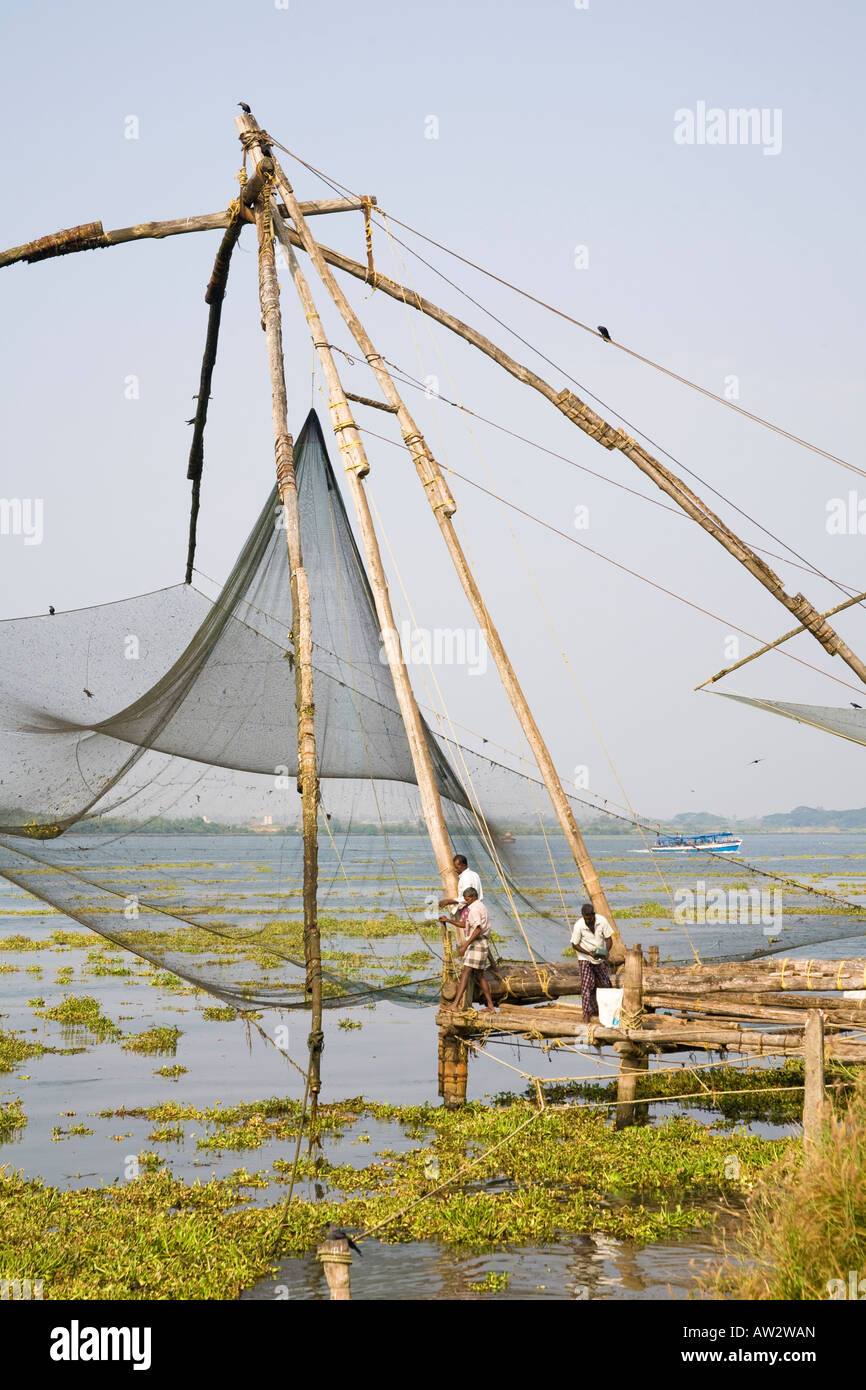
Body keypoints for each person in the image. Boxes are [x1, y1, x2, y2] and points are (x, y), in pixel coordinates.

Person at [439, 886, 496, 1012]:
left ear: (474, 897)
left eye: (468, 899)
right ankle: (491, 1006)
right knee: (480, 976)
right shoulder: (480, 906)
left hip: (477, 944)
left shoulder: (475, 909)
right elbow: (467, 924)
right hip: (481, 943)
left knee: (465, 972)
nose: (466, 901)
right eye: (465, 899)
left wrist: (465, 946)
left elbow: (478, 929)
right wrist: (449, 921)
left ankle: (454, 1005)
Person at [571, 902, 614, 1022]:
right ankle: (586, 1013)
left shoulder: (602, 921)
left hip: (599, 957)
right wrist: (589, 953)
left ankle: (604, 1010)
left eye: (590, 918)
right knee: (587, 984)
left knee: (605, 983)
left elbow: (609, 939)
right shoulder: (579, 925)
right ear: (583, 916)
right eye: (586, 918)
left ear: (594, 915)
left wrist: (606, 951)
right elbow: (574, 945)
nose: (588, 921)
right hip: (585, 957)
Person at [438, 853, 482, 924]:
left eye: (457, 867)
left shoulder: (465, 878)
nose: (455, 870)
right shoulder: (474, 874)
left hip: (469, 909)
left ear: (464, 866)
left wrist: (448, 901)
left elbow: (467, 898)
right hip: (478, 908)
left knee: (469, 931)